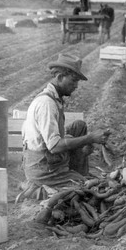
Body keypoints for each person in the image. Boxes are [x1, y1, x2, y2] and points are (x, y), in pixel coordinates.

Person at [19, 54, 111, 200]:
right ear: (60, 77)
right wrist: (90, 138)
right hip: (42, 168)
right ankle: (36, 190)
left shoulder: (55, 98)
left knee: (78, 126)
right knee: (84, 188)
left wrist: (82, 145)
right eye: (73, 80)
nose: (76, 85)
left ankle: (74, 174)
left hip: (46, 157)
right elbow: (54, 146)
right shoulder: (46, 104)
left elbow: (54, 137)